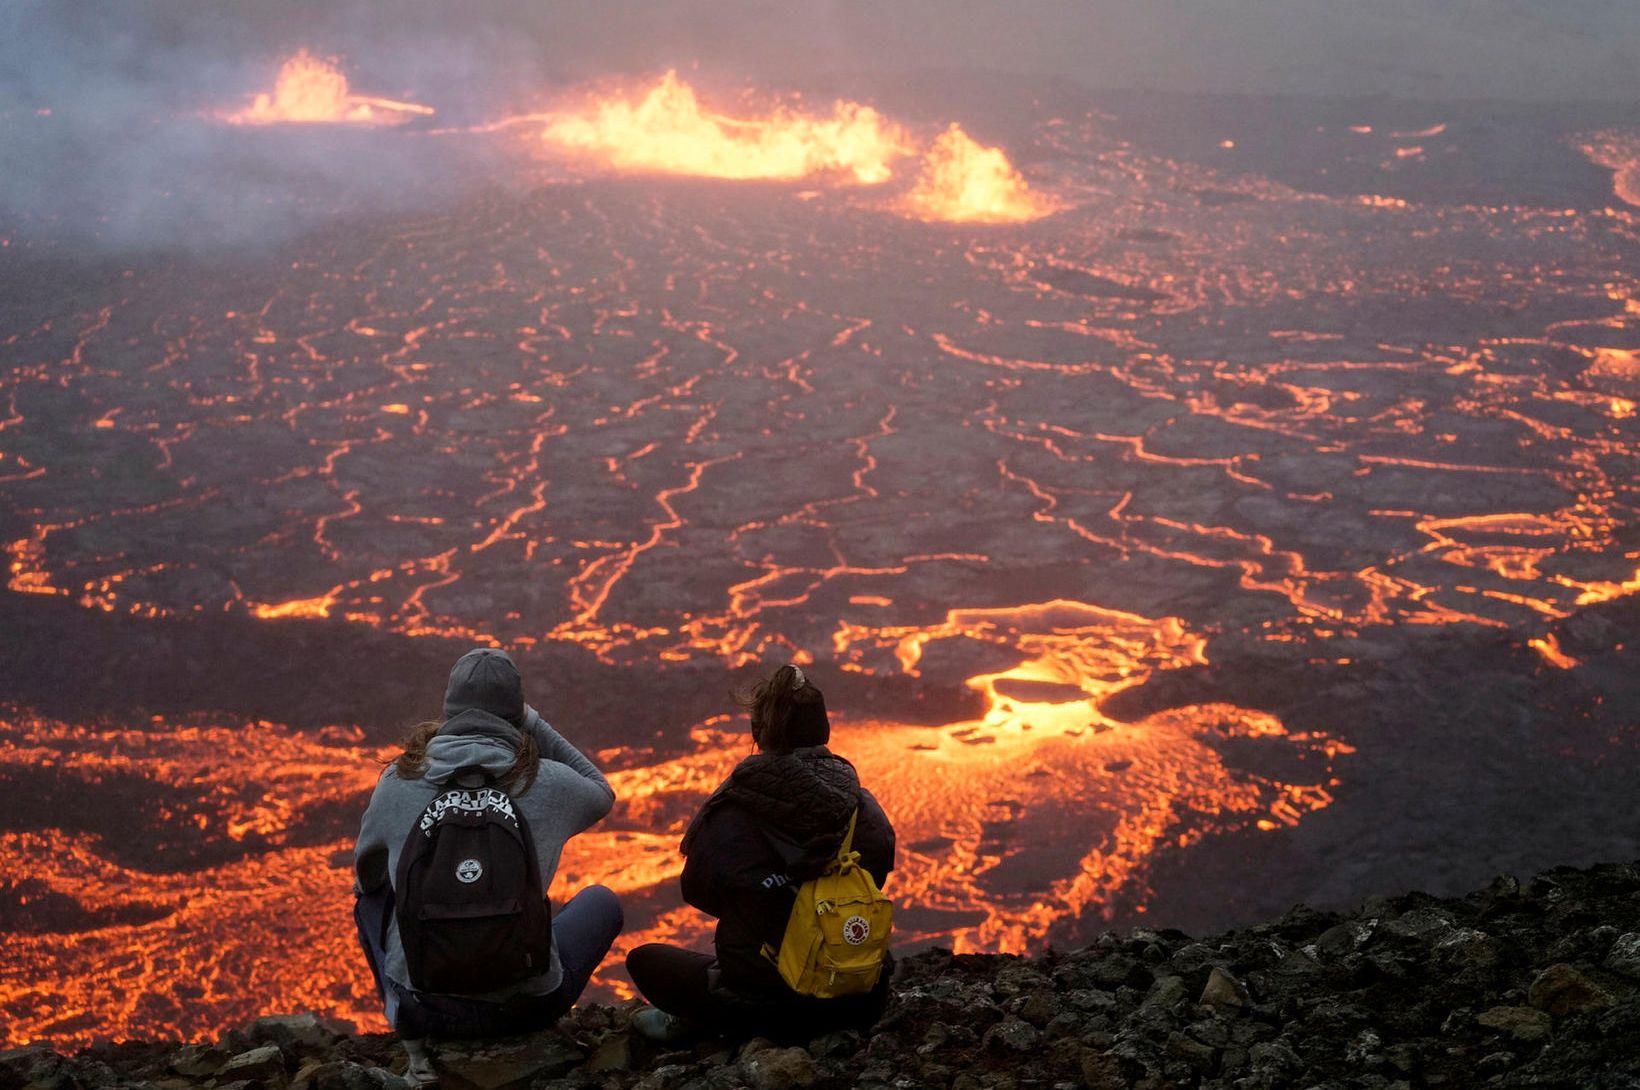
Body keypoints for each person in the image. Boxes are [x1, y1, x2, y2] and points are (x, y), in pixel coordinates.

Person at [354, 648, 620, 1081]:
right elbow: (600, 790)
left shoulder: (398, 780)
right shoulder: (547, 782)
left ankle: (410, 1039)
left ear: (448, 712)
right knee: (599, 901)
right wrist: (531, 722)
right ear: (516, 714)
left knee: (369, 896)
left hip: (429, 1010)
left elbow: (367, 878)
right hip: (530, 1007)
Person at [625, 663, 895, 1044]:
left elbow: (698, 892)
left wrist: (765, 897)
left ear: (758, 733)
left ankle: (699, 1024)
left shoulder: (732, 811)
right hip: (860, 997)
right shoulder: (863, 807)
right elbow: (878, 872)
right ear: (824, 729)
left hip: (768, 1005)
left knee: (645, 960)